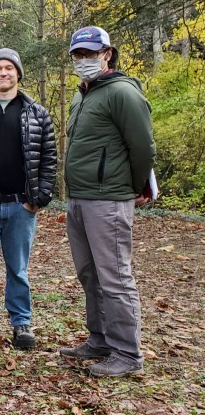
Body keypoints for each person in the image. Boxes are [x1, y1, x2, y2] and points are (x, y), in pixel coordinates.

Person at [59, 26, 156, 377]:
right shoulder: (82, 95)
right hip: (79, 198)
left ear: (107, 53)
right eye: (78, 55)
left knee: (115, 276)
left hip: (109, 200)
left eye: (90, 53)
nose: (84, 60)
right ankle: (99, 340)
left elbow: (143, 147)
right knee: (89, 274)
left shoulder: (122, 93)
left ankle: (128, 353)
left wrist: (132, 186)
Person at [0, 48, 57, 351]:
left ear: (18, 73)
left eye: (8, 68)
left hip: (21, 206)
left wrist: (39, 198)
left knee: (18, 269)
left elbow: (49, 159)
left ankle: (21, 324)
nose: (3, 73)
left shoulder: (37, 113)